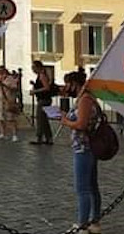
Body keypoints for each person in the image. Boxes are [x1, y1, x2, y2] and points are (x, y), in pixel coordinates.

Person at [60, 70, 102, 234]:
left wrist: (65, 121)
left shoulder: (85, 99)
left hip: (84, 148)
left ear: (75, 84)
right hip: (88, 147)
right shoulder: (85, 98)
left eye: (68, 84)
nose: (66, 87)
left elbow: (81, 124)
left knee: (83, 188)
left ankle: (82, 224)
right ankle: (94, 221)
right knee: (92, 186)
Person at [29, 60, 54, 145]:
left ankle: (39, 137)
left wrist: (35, 91)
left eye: (33, 67)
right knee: (44, 120)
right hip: (44, 99)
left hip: (44, 100)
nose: (32, 69)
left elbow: (46, 88)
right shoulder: (41, 75)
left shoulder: (42, 75)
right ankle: (48, 138)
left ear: (37, 67)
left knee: (40, 119)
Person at [0, 66, 19, 142]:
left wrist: (4, 85)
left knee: (11, 118)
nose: (0, 72)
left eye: (1, 71)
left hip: (8, 100)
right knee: (0, 118)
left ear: (5, 71)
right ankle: (3, 133)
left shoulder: (10, 79)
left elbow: (14, 88)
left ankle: (14, 135)